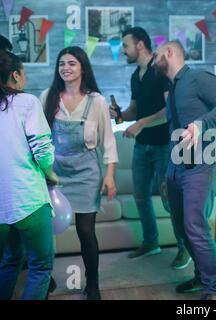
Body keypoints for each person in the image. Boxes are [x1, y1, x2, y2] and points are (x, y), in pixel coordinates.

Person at [152, 40, 216, 300]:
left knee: (195, 225)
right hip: (176, 167)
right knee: (181, 228)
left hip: (202, 164)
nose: (153, 62)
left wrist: (200, 124)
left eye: (156, 56)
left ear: (169, 52)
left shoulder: (198, 77)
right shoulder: (172, 88)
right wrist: (169, 172)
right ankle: (202, 276)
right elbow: (173, 131)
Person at [41, 46, 118, 300]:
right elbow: (39, 138)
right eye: (62, 63)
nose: (66, 67)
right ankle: (44, 277)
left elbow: (108, 141)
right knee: (46, 229)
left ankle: (92, 284)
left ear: (82, 67)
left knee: (86, 231)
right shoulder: (47, 96)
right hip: (54, 173)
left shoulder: (96, 101)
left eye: (72, 63)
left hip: (87, 172)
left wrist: (109, 176)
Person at [109, 27, 191, 268]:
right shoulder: (136, 76)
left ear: (141, 45)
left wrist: (141, 124)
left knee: (170, 201)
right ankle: (151, 242)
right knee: (140, 197)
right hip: (142, 147)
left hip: (164, 146)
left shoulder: (160, 73)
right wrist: (121, 115)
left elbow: (169, 111)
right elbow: (134, 109)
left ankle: (185, 248)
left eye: (125, 45)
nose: (123, 51)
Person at [0, 50, 58, 300]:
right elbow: (42, 150)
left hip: (2, 207)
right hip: (29, 201)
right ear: (15, 75)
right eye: (23, 72)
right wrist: (51, 174)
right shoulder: (27, 102)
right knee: (40, 267)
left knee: (9, 261)